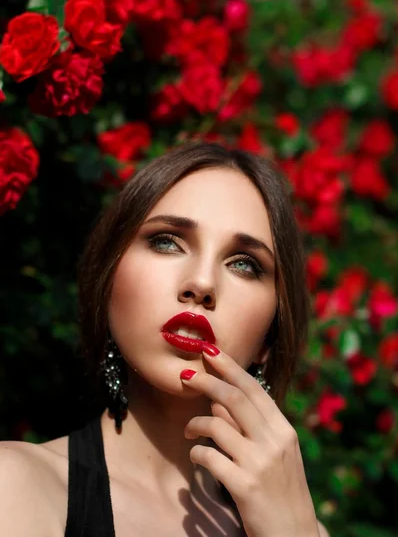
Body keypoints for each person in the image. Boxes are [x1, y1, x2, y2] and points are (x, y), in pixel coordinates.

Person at [0, 142, 330, 536]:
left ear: (270, 333)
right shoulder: (17, 487)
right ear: (108, 281)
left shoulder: (300, 528)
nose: (203, 283)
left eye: (244, 264)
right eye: (167, 242)